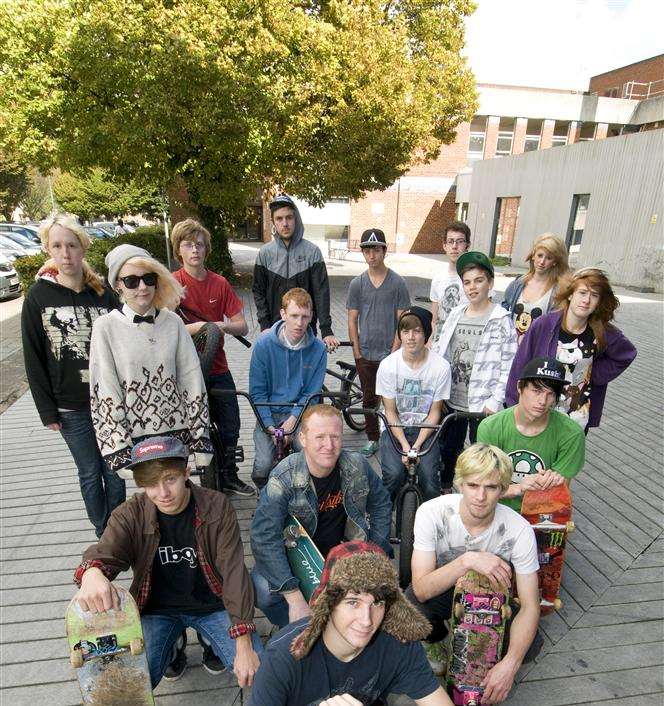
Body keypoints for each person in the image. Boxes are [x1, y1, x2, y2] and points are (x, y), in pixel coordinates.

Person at [72, 437, 263, 686]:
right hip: (156, 611)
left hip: (214, 605)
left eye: (170, 479)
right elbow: (105, 551)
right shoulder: (130, 513)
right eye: (151, 483)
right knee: (128, 684)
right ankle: (171, 646)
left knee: (263, 673)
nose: (162, 493)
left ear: (186, 472)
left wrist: (243, 641)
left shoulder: (217, 507)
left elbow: (234, 573)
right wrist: (92, 573)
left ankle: (211, 641)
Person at [407, 444, 540, 702]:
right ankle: (436, 640)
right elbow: (421, 589)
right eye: (473, 485)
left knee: (530, 646)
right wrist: (468, 560)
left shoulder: (519, 530)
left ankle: (489, 658)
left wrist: (510, 665)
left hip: (491, 600)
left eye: (491, 487)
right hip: (444, 590)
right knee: (411, 610)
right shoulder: (432, 513)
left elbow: (530, 606)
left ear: (502, 490)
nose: (480, 496)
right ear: (459, 484)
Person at [249, 540, 454, 706]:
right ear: (329, 604)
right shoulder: (283, 659)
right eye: (353, 602)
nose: (367, 620)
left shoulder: (399, 643)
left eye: (378, 602)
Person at [21, 215, 126, 538]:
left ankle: (120, 530)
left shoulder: (102, 295)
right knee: (90, 472)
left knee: (116, 469)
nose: (65, 253)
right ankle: (102, 531)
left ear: (83, 248)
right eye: (57, 246)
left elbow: (122, 345)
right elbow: (33, 357)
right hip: (69, 405)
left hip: (108, 400)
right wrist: (46, 410)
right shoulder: (38, 297)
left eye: (71, 245)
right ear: (48, 250)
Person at [250, 405, 392, 630]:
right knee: (263, 591)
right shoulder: (283, 478)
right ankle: (296, 627)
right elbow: (263, 537)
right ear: (302, 438)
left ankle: (338, 628)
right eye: (320, 437)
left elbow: (382, 503)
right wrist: (293, 596)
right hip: (296, 556)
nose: (329, 445)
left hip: (343, 555)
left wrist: (375, 550)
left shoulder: (357, 465)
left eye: (335, 436)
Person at [89, 244, 212, 474]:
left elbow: (192, 380)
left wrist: (200, 439)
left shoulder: (173, 322)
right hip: (135, 442)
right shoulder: (105, 327)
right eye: (132, 281)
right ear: (118, 285)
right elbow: (104, 389)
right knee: (148, 506)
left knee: (177, 498)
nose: (143, 287)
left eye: (148, 278)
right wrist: (118, 448)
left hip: (178, 435)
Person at [171, 218, 254, 497]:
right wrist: (200, 328)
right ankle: (188, 482)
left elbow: (242, 325)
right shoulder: (171, 285)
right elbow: (163, 327)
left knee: (231, 423)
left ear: (206, 249)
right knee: (190, 429)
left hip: (217, 366)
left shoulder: (219, 283)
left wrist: (222, 327)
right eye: (187, 245)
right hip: (183, 371)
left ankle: (230, 475)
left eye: (199, 244)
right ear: (178, 250)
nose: (194, 250)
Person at [506, 267, 637, 432]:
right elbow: (520, 365)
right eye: (582, 293)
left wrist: (592, 374)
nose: (587, 300)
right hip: (539, 412)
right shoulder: (544, 325)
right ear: (570, 294)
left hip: (576, 419)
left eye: (594, 295)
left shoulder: (602, 331)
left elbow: (626, 355)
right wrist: (513, 405)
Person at [433, 251, 517, 490]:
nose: (472, 287)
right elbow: (441, 350)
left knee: (482, 451)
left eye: (479, 280)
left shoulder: (501, 319)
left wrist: (495, 400)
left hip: (483, 403)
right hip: (453, 398)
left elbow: (508, 365)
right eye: (467, 282)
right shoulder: (456, 314)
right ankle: (447, 487)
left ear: (490, 283)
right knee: (449, 448)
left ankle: (481, 493)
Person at [477, 357, 585, 512]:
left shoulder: (571, 434)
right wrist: (520, 487)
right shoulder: (491, 427)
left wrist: (549, 484)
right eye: (536, 391)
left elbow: (558, 490)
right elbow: (482, 488)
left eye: (550, 394)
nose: (542, 401)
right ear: (520, 388)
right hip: (496, 510)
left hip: (543, 512)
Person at [248, 287, 327, 488]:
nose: (299, 323)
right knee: (264, 464)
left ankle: (305, 492)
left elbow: (312, 393)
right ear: (283, 314)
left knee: (309, 453)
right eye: (294, 316)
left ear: (311, 317)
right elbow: (257, 392)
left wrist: (293, 421)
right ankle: (264, 492)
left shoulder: (318, 349)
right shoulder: (263, 345)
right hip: (269, 413)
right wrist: (269, 426)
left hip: (299, 413)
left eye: (304, 316)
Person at [347, 228, 410, 457]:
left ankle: (394, 438)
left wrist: (394, 352)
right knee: (368, 399)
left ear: (384, 251)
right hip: (365, 354)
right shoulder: (357, 284)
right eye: (367, 250)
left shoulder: (397, 283)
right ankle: (373, 438)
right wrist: (356, 351)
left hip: (389, 353)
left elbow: (402, 321)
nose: (371, 255)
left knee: (392, 399)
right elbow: (352, 319)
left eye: (376, 249)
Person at [376, 306, 451, 501]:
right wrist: (403, 445)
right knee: (392, 476)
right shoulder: (388, 366)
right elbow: (390, 411)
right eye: (405, 330)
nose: (410, 337)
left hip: (425, 429)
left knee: (429, 480)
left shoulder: (440, 367)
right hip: (394, 428)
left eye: (417, 331)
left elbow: (435, 412)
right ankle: (384, 515)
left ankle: (430, 519)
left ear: (426, 334)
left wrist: (416, 447)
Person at [252, 193, 340, 348]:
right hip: (273, 331)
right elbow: (258, 291)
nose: (284, 223)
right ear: (273, 221)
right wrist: (264, 325)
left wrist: (326, 330)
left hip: (305, 330)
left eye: (289, 217)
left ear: (296, 219)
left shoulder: (312, 252)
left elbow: (321, 293)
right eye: (279, 219)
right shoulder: (265, 253)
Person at [501, 233, 570, 341]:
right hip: (509, 349)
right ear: (533, 255)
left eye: (549, 258)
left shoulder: (558, 292)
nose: (542, 262)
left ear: (555, 262)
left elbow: (557, 327)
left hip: (537, 352)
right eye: (540, 255)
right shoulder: (517, 284)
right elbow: (503, 313)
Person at [429, 221, 471, 344]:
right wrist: (430, 342)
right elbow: (434, 319)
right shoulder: (438, 279)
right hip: (441, 344)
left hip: (465, 343)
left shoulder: (477, 278)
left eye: (460, 241)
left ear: (467, 245)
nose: (454, 246)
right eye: (450, 241)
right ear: (444, 246)